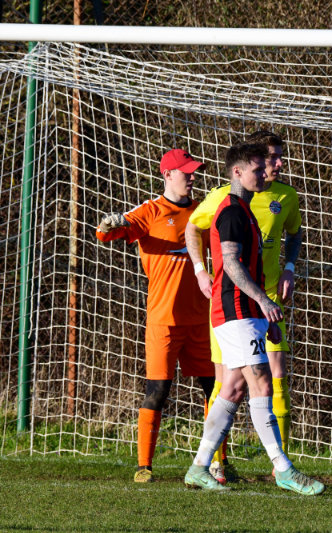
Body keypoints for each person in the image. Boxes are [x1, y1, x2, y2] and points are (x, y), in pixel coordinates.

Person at [184, 142, 323, 495]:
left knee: (233, 387)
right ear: (237, 172)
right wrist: (262, 300)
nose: (265, 174)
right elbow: (230, 264)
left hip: (247, 311)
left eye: (265, 168)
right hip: (235, 308)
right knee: (261, 383)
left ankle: (199, 467)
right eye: (257, 169)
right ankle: (283, 469)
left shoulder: (245, 210)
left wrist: (264, 313)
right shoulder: (230, 211)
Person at [96, 149, 215, 483]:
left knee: (216, 391)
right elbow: (108, 233)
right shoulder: (150, 211)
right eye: (187, 172)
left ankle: (217, 463)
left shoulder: (202, 211)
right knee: (157, 390)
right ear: (168, 174)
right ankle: (144, 466)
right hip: (163, 320)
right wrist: (108, 225)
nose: (193, 177)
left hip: (201, 319)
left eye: (195, 172)